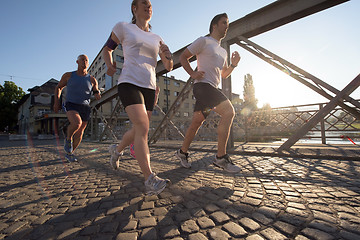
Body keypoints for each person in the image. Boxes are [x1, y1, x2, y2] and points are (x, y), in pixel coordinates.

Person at [103, 0, 173, 195]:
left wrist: (168, 55)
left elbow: (168, 67)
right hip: (129, 82)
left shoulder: (157, 37)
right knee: (142, 127)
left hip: (149, 87)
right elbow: (107, 49)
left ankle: (116, 151)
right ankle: (150, 179)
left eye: (150, 4)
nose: (148, 6)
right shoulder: (123, 27)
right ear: (134, 8)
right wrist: (110, 65)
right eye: (144, 3)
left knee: (138, 129)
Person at [175, 13, 241, 173]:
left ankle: (182, 153)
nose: (227, 26)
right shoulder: (203, 41)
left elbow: (223, 74)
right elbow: (183, 57)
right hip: (202, 87)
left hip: (212, 88)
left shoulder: (223, 51)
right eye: (224, 23)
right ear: (214, 25)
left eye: (228, 23)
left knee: (196, 122)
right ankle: (221, 158)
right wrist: (192, 73)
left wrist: (233, 64)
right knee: (229, 112)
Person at [54, 54, 101, 162]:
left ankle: (70, 153)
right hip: (71, 104)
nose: (84, 62)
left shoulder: (92, 79)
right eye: (82, 60)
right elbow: (58, 87)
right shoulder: (68, 75)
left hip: (85, 106)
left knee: (80, 133)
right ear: (77, 62)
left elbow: (96, 91)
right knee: (76, 123)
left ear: (88, 63)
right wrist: (56, 102)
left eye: (86, 60)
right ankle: (68, 138)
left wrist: (97, 94)